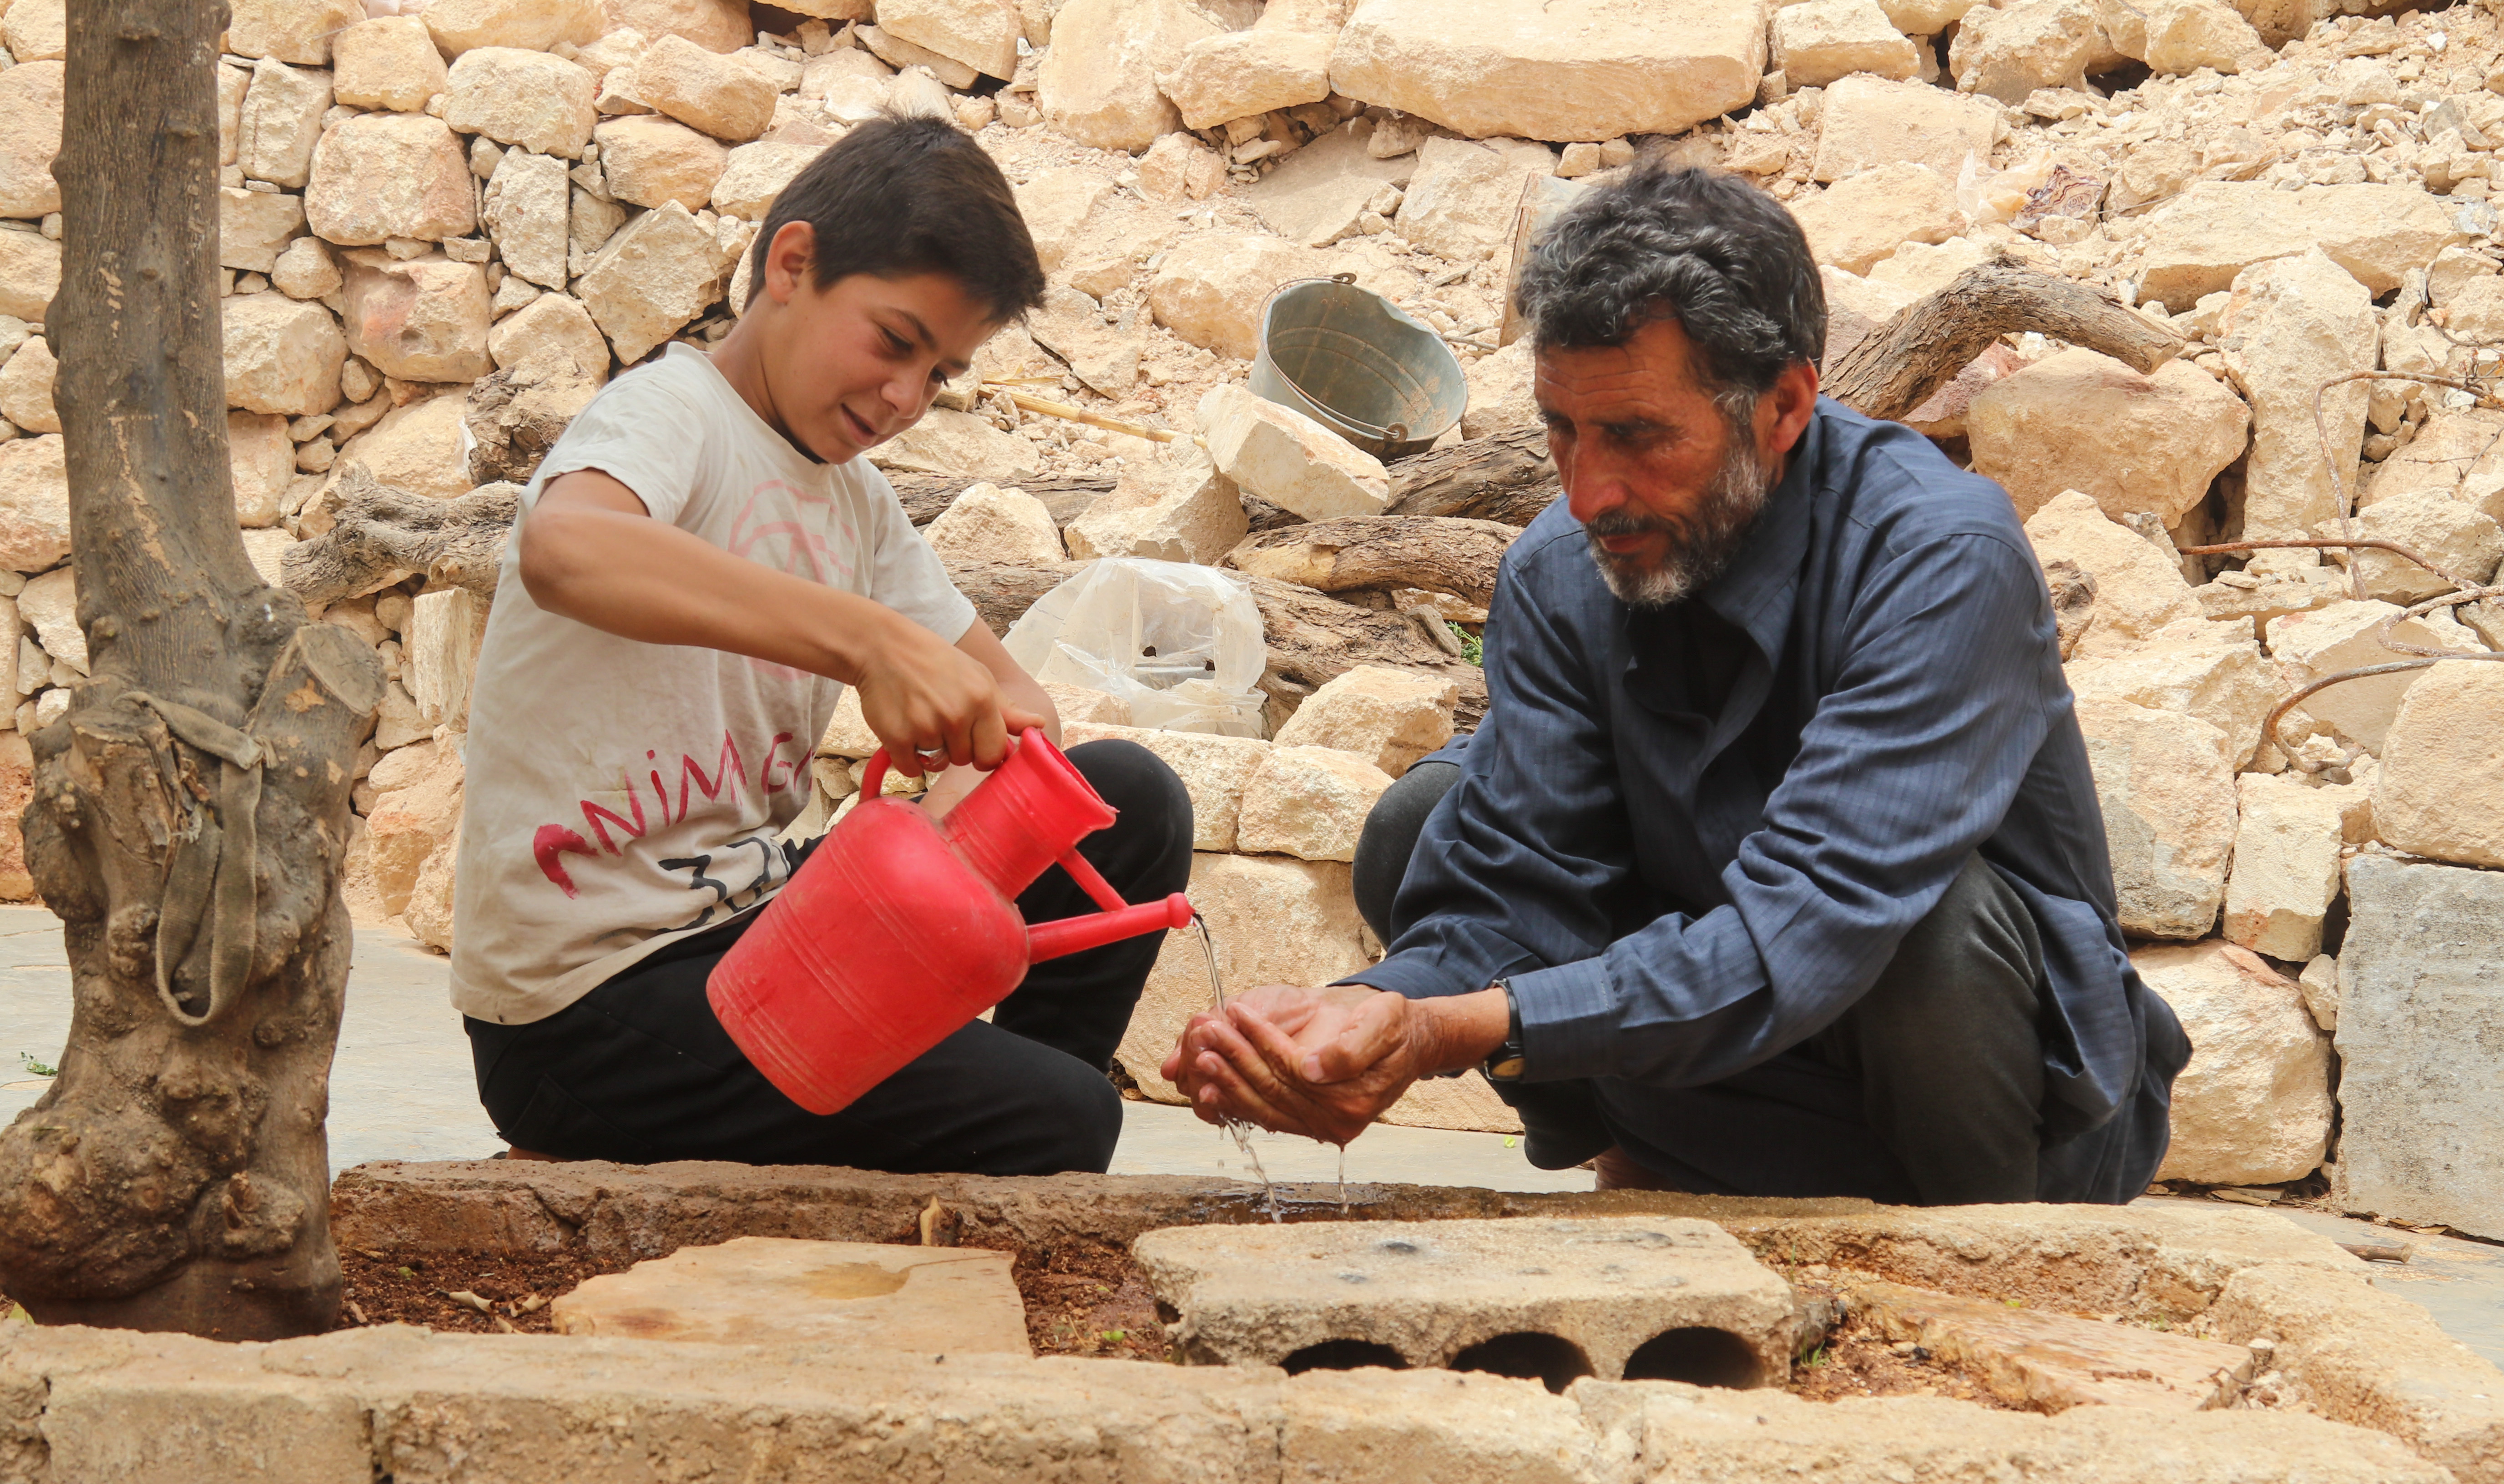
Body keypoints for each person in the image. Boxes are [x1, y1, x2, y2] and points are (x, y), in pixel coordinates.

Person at [1165, 160, 2189, 1206]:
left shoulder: (1937, 558)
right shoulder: (1561, 568)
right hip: (1725, 1072)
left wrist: (1448, 1028)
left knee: (1934, 927)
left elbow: (1808, 920)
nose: (1588, 490)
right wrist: (1363, 1015)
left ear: (1785, 404)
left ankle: (1975, 1251)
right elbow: (1522, 886)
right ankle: (1642, 1164)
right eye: (1562, 429)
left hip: (1985, 1112)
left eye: (1639, 436)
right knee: (1430, 821)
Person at [450, 114, 1190, 1176]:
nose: (904, 399)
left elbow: (1018, 704)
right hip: (592, 1006)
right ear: (792, 264)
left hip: (759, 923)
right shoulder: (672, 414)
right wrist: (866, 641)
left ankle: (960, 1118)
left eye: (939, 374)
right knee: (1066, 1116)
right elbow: (565, 547)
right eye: (894, 342)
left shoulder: (856, 501)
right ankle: (987, 1117)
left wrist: (956, 799)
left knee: (1126, 799)